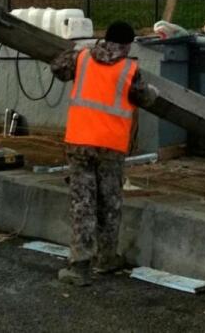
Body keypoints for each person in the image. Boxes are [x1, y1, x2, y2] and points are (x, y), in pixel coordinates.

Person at [49, 21, 157, 287]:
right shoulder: (130, 70)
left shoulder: (83, 58)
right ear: (128, 44)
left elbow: (57, 68)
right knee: (109, 204)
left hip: (80, 143)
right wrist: (154, 92)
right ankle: (106, 258)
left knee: (82, 204)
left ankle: (79, 267)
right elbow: (145, 98)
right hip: (110, 148)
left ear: (104, 39)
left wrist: (79, 48)